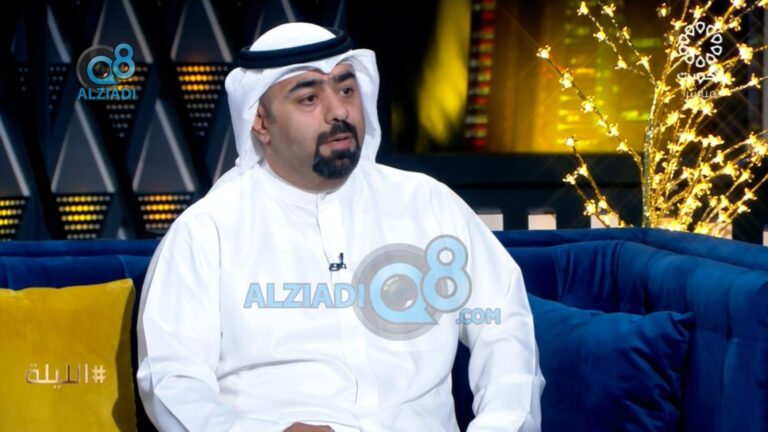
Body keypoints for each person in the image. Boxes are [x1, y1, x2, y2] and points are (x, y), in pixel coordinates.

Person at [137, 22, 544, 432]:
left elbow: (504, 327)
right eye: (310, 98)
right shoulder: (208, 230)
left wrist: (499, 424)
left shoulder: (426, 202)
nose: (339, 111)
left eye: (347, 90)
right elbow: (172, 379)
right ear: (260, 122)